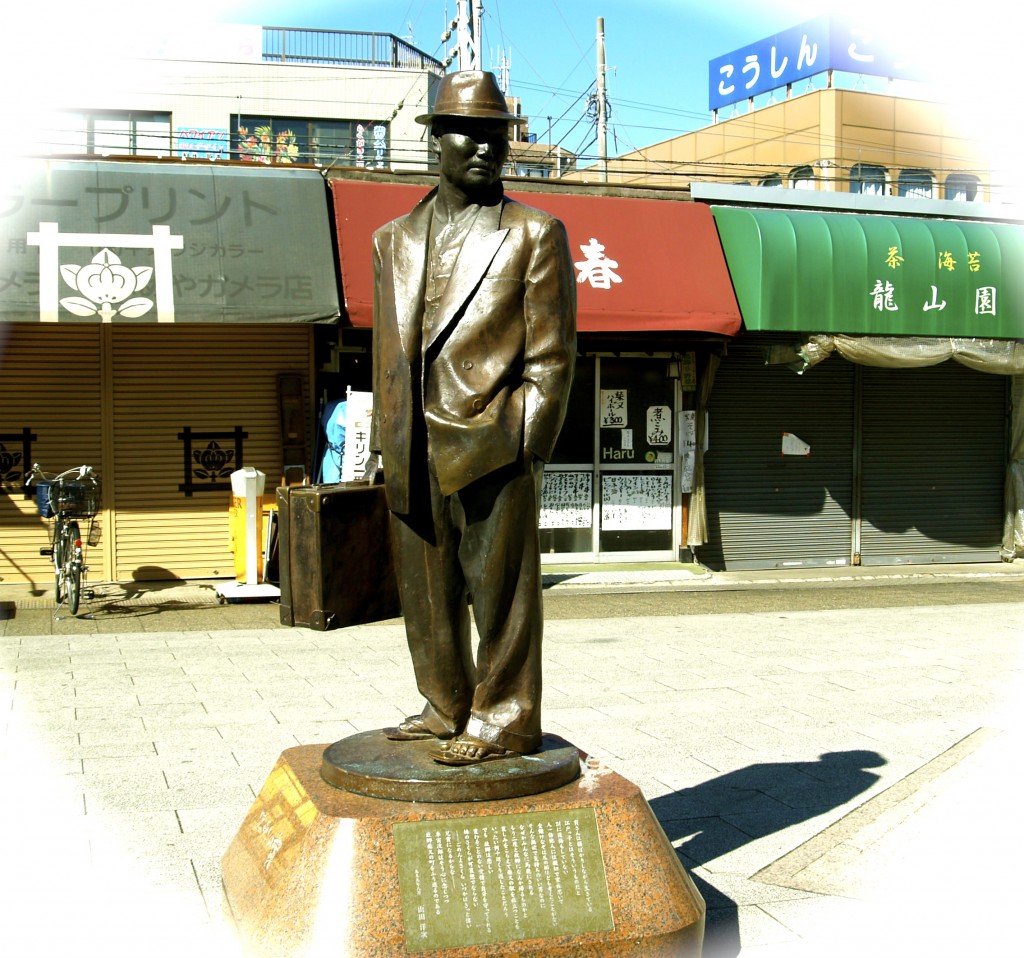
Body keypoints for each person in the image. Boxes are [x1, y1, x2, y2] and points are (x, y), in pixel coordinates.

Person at [366, 71, 576, 766]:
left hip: (494, 440)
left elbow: (552, 355)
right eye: (470, 133)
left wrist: (526, 443)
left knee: (502, 595)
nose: (486, 147)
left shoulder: (534, 234)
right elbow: (387, 352)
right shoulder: (390, 240)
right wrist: (385, 437)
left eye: (498, 135)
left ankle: (506, 717)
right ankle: (443, 702)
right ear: (436, 143)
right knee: (426, 594)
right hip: (412, 441)